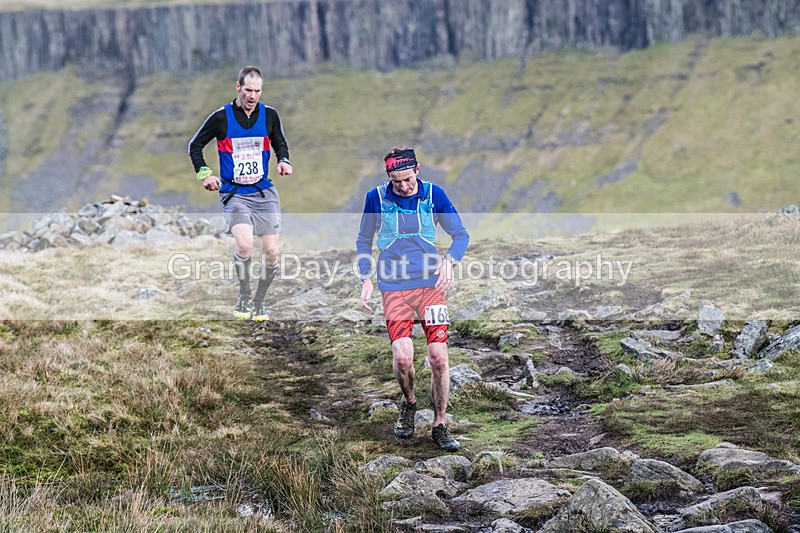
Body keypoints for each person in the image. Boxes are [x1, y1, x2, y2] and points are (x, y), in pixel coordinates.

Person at [356, 147, 469, 452]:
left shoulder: (434, 194)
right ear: (388, 178)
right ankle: (410, 402)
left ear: (417, 169)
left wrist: (449, 261)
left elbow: (460, 234)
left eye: (407, 179)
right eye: (396, 182)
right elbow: (364, 239)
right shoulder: (376, 198)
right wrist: (366, 278)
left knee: (439, 358)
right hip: (394, 287)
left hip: (431, 287)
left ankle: (440, 423)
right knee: (404, 358)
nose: (404, 186)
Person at [188, 66, 292, 321]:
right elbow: (195, 145)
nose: (252, 96)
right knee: (245, 244)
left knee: (272, 252)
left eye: (257, 91)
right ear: (238, 87)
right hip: (235, 192)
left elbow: (279, 141)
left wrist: (284, 160)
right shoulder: (221, 117)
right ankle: (244, 295)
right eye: (248, 90)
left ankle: (259, 302)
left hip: (263, 191)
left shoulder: (269, 115)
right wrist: (205, 174)